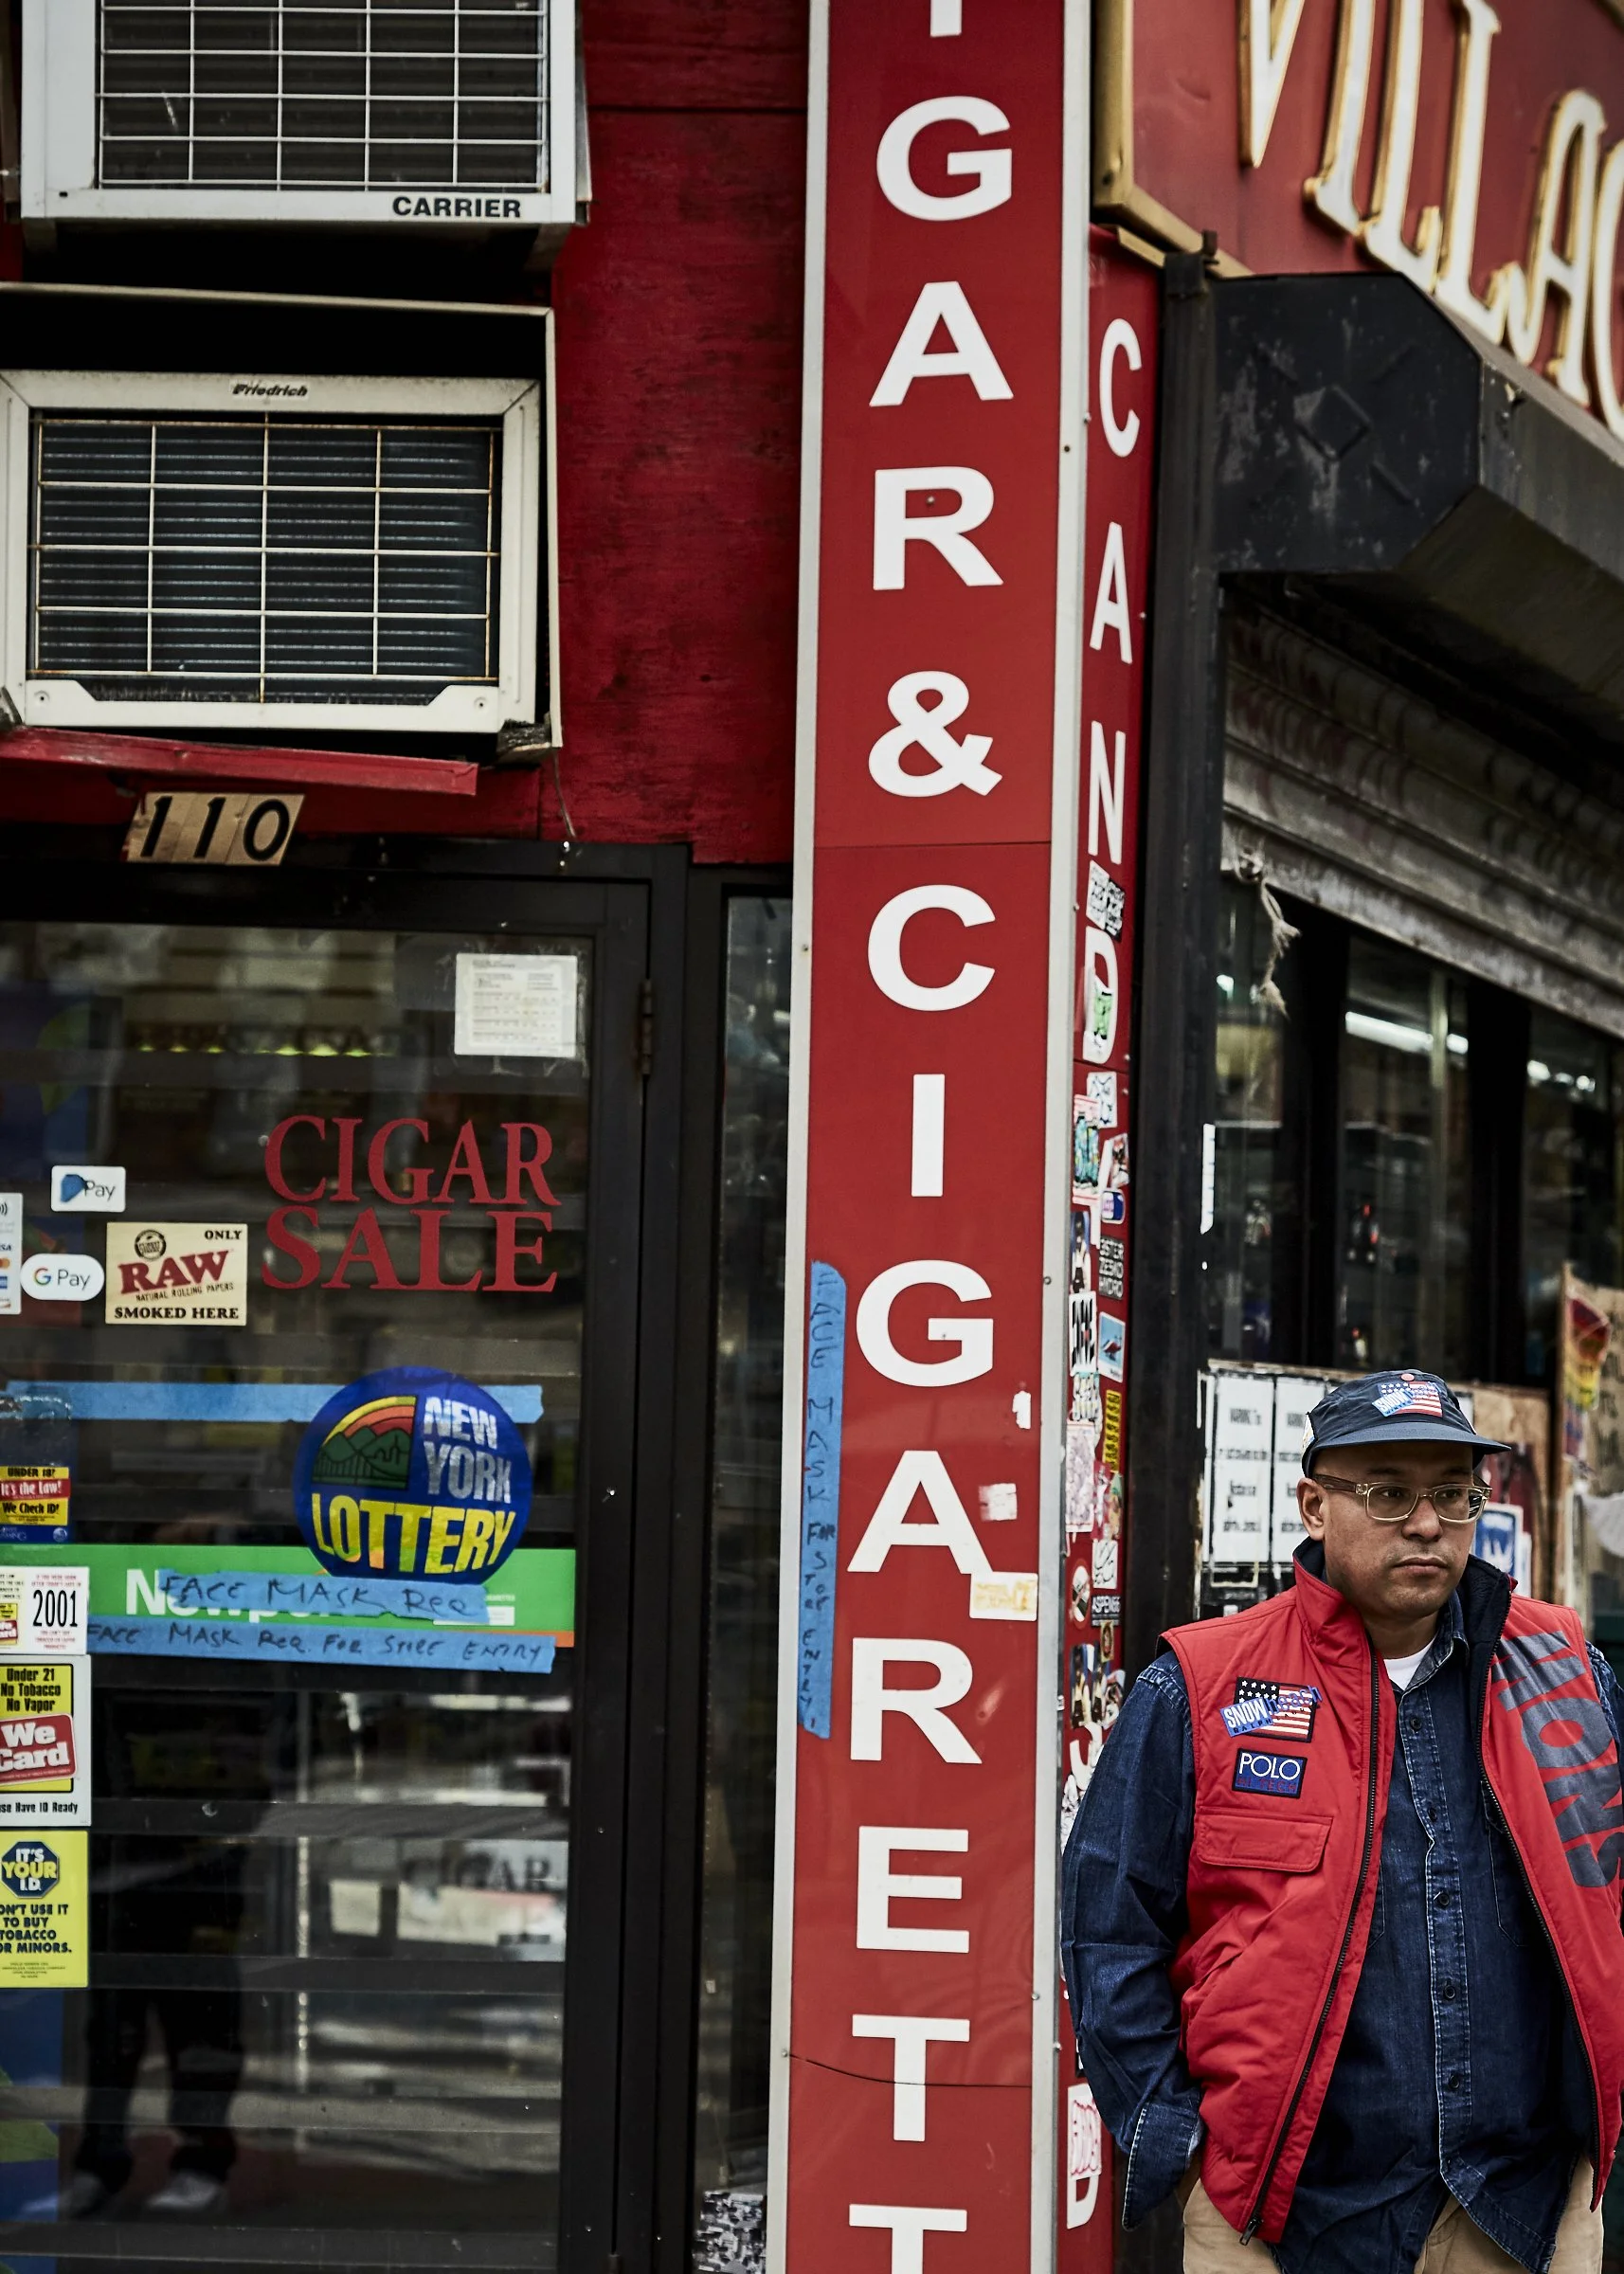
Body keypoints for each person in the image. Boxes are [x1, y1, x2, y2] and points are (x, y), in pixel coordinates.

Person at [1061, 1369, 1624, 2274]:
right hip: (1276, 2222)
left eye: (1453, 1494)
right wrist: (1181, 2149)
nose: (1428, 1523)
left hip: (1520, 2211)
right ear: (1315, 1507)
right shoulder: (1202, 1687)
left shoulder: (1565, 1673)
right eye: (1389, 1492)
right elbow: (1109, 1931)